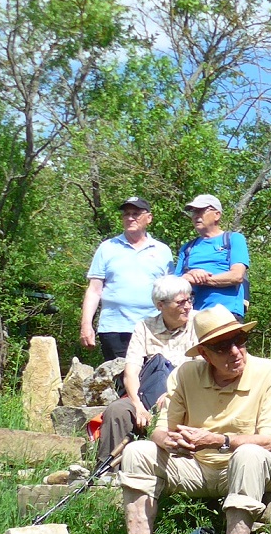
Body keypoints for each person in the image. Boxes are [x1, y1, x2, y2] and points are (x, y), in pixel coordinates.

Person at [117, 306, 271, 534]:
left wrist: (217, 440)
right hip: (197, 466)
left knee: (248, 454)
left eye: (239, 340)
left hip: (255, 467)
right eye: (222, 346)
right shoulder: (186, 374)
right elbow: (160, 430)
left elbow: (269, 441)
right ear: (205, 354)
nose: (235, 351)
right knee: (137, 451)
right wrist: (170, 441)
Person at [94, 275, 197, 466]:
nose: (188, 306)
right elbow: (131, 372)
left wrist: (173, 394)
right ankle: (107, 472)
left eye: (190, 299)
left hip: (188, 395)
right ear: (160, 305)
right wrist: (137, 405)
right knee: (117, 410)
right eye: (181, 302)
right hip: (148, 395)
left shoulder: (199, 323)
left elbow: (204, 370)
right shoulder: (144, 327)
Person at [82, 197, 173, 364]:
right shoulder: (107, 247)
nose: (130, 218)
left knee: (154, 376)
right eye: (126, 214)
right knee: (120, 377)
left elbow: (170, 293)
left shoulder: (162, 251)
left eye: (136, 214)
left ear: (149, 218)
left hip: (153, 328)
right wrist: (86, 325)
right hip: (114, 328)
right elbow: (94, 290)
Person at [174, 195, 250, 316]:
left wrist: (199, 279)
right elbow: (175, 285)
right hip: (193, 315)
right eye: (194, 212)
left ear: (217, 215)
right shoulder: (188, 248)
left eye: (201, 211)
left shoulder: (233, 239)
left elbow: (236, 276)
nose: (196, 216)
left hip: (227, 313)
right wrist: (188, 275)